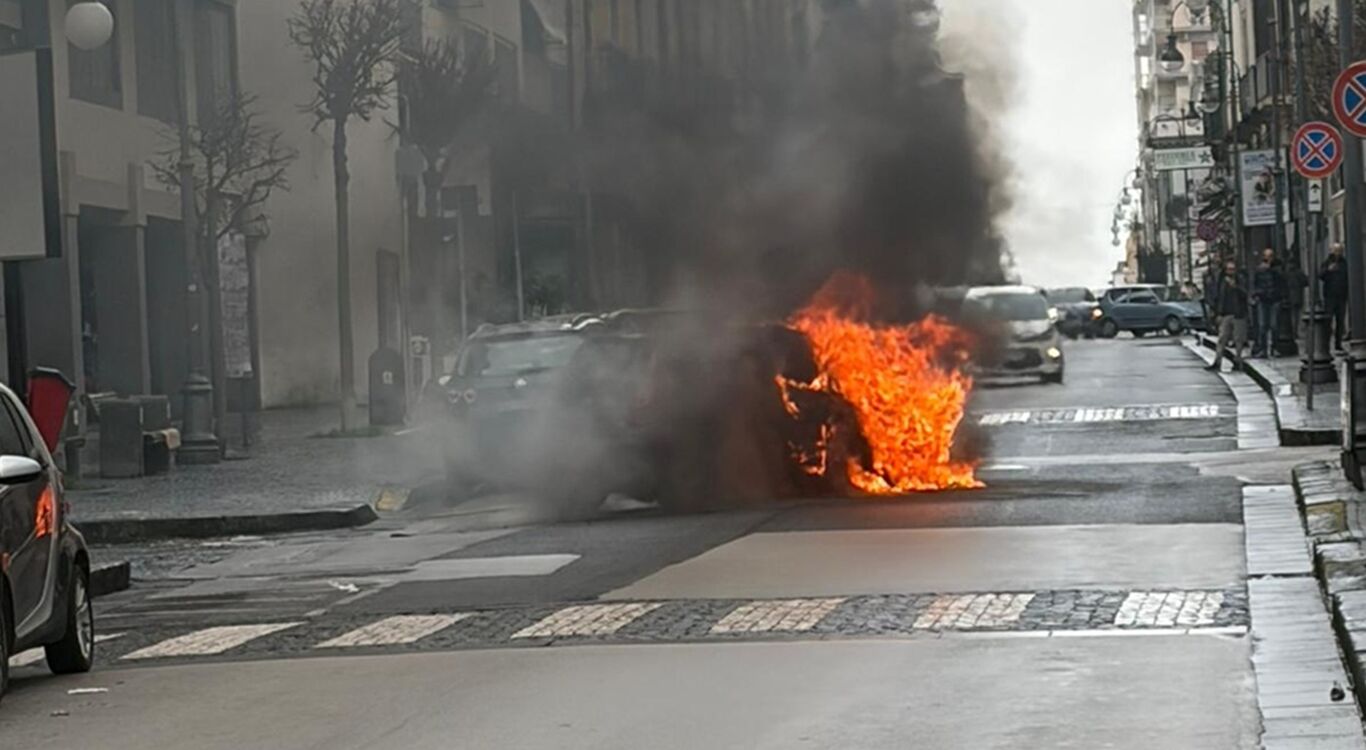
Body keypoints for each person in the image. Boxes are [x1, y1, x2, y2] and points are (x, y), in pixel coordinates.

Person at [1208, 260, 1249, 372]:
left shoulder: (1240, 279)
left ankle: (1238, 361)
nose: (1230, 272)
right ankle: (1217, 362)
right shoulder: (1221, 281)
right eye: (1229, 269)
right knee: (1222, 338)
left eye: (1232, 269)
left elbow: (1246, 294)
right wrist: (1218, 313)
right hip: (1226, 313)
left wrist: (1235, 286)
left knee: (1238, 340)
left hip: (1238, 314)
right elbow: (1219, 297)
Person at [1251, 249, 1285, 357]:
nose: (1268, 258)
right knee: (1262, 326)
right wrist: (1256, 294)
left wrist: (1271, 269)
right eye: (1266, 256)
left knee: (1274, 325)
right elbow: (1255, 284)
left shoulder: (1278, 267)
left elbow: (1282, 280)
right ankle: (1263, 349)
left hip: (1275, 299)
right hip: (1263, 300)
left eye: (1270, 256)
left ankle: (1274, 347)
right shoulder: (1259, 270)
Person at [1322, 243, 1350, 351]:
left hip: (1341, 296)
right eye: (1336, 250)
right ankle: (1325, 344)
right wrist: (1328, 270)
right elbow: (1321, 275)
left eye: (1340, 250)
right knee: (1328, 320)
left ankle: (1338, 344)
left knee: (1340, 321)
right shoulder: (1327, 262)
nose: (1338, 253)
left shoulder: (1344, 263)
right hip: (1330, 296)